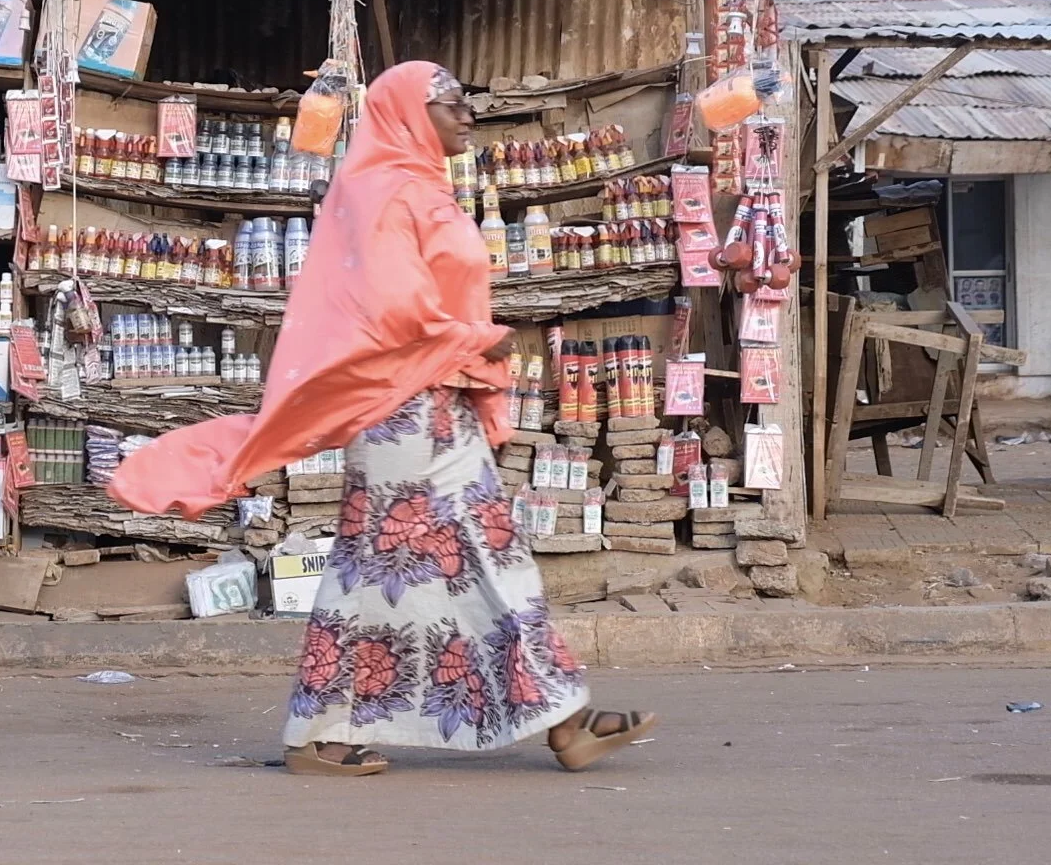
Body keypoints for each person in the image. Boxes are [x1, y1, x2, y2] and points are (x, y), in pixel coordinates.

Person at [111, 62, 657, 776]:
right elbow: (390, 304)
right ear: (406, 111)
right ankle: (316, 735)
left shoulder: (426, 186)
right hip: (397, 406)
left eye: (468, 101)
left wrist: (465, 347)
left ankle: (562, 719)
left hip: (441, 398)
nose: (468, 115)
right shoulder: (379, 188)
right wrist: (475, 338)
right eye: (452, 102)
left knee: (492, 558)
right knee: (381, 564)